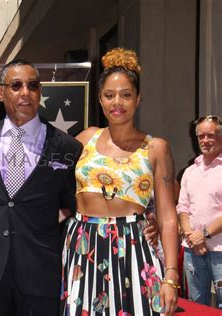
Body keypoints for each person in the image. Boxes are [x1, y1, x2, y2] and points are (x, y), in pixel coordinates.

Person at [61, 48, 180, 315]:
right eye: (109, 95)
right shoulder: (84, 139)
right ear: (100, 100)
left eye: (126, 95)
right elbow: (52, 187)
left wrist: (171, 276)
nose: (118, 102)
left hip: (135, 248)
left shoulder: (156, 148)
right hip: (83, 246)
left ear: (138, 99)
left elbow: (168, 217)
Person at [0, 59, 83, 316]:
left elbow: (79, 205)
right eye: (16, 85)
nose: (25, 93)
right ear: (1, 92)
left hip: (41, 271)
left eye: (32, 86)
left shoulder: (67, 146)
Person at [177, 115, 222, 308]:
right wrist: (191, 237)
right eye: (201, 136)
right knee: (196, 306)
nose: (205, 140)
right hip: (192, 250)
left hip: (220, 252)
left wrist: (203, 235)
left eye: (210, 135)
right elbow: (182, 208)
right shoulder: (190, 171)